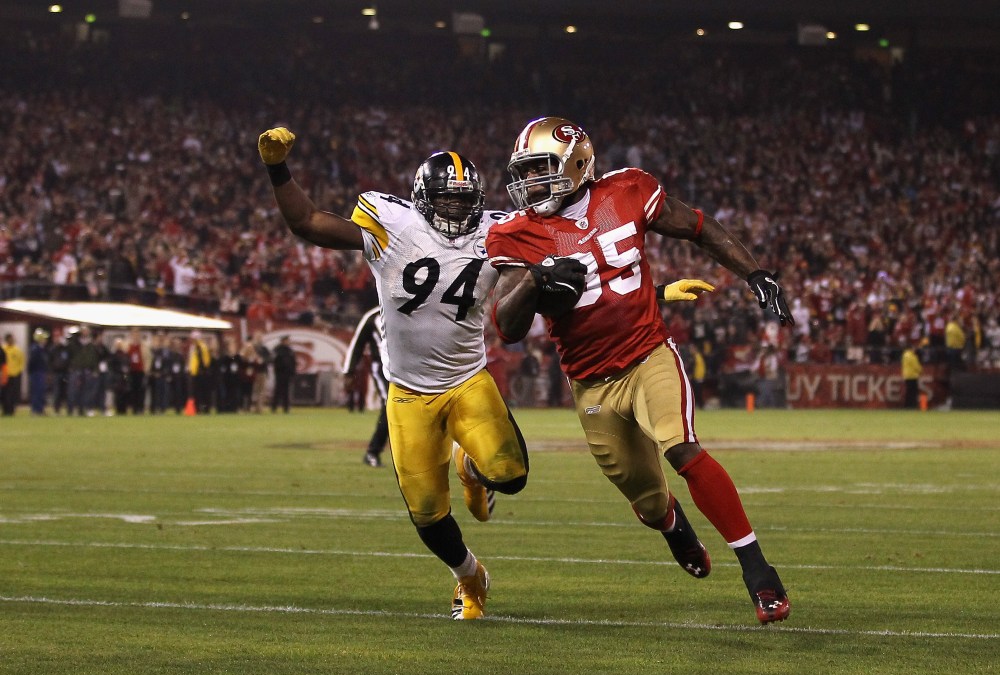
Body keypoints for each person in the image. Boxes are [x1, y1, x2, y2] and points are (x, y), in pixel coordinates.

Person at [487, 117, 795, 625]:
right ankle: (674, 525)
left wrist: (754, 272)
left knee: (683, 447)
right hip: (590, 382)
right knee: (649, 502)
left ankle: (758, 571)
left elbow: (698, 226)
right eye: (527, 172)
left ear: (577, 164)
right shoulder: (516, 232)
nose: (532, 183)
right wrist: (535, 282)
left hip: (648, 352)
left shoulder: (627, 190)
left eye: (543, 169)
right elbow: (507, 325)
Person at [258, 126, 528, 620]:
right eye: (445, 201)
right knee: (427, 513)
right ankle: (470, 577)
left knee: (509, 475)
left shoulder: (497, 233)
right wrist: (279, 170)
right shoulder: (391, 226)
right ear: (422, 200)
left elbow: (534, 283)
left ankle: (470, 467)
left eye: (462, 201)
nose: (454, 210)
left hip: (468, 379)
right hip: (409, 395)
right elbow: (309, 222)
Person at [344, 306, 390, 468]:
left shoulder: (408, 308)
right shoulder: (373, 316)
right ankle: (373, 452)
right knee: (390, 406)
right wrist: (349, 371)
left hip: (409, 368)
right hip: (383, 368)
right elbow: (357, 343)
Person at [271, 335, 296, 413]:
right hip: (280, 373)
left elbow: (293, 362)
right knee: (277, 391)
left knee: (286, 391)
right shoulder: (277, 349)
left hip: (288, 374)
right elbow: (274, 361)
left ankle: (286, 408)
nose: (288, 342)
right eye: (286, 340)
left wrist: (293, 372)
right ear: (282, 341)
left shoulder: (290, 350)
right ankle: (274, 407)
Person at [27, 328, 50, 415]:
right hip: (37, 373)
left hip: (41, 372)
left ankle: (40, 409)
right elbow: (32, 362)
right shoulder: (35, 349)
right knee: (37, 391)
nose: (45, 340)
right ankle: (36, 409)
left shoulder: (41, 349)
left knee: (41, 391)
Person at [2, 333, 26, 416]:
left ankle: (11, 410)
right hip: (4, 375)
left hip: (14, 375)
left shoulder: (17, 350)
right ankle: (5, 410)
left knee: (12, 393)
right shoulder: (3, 349)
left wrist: (19, 371)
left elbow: (21, 362)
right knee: (4, 394)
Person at [901, 340, 923, 409]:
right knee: (913, 392)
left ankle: (908, 405)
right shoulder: (911, 356)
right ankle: (911, 405)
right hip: (912, 375)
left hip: (907, 375)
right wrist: (920, 370)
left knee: (909, 392)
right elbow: (915, 365)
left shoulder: (905, 355)